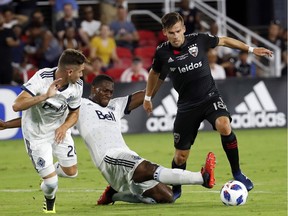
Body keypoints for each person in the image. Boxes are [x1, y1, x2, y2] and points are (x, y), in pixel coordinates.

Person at [0, 74, 216, 206]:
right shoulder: (80, 105)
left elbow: (147, 93)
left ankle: (115, 196)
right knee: (147, 167)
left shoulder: (116, 105)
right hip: (109, 159)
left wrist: (161, 72)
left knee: (167, 197)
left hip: (125, 156)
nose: (108, 94)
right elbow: (41, 120)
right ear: (93, 89)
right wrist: (6, 125)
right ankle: (202, 178)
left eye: (111, 91)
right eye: (104, 90)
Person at [142, 12, 273, 201]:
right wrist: (148, 97)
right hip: (187, 106)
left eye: (178, 31)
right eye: (171, 33)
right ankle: (176, 188)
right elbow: (155, 74)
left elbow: (225, 40)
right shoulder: (162, 52)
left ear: (184, 29)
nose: (176, 36)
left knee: (224, 125)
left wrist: (251, 50)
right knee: (180, 157)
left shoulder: (199, 40)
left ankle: (237, 173)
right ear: (165, 33)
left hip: (209, 97)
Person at [11, 49, 87, 213]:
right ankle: (49, 202)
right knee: (52, 183)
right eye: (80, 71)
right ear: (69, 71)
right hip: (36, 135)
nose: (81, 75)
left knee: (71, 172)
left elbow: (75, 113)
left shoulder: (77, 85)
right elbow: (17, 105)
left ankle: (48, 171)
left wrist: (64, 127)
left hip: (59, 131)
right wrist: (45, 96)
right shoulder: (42, 78)